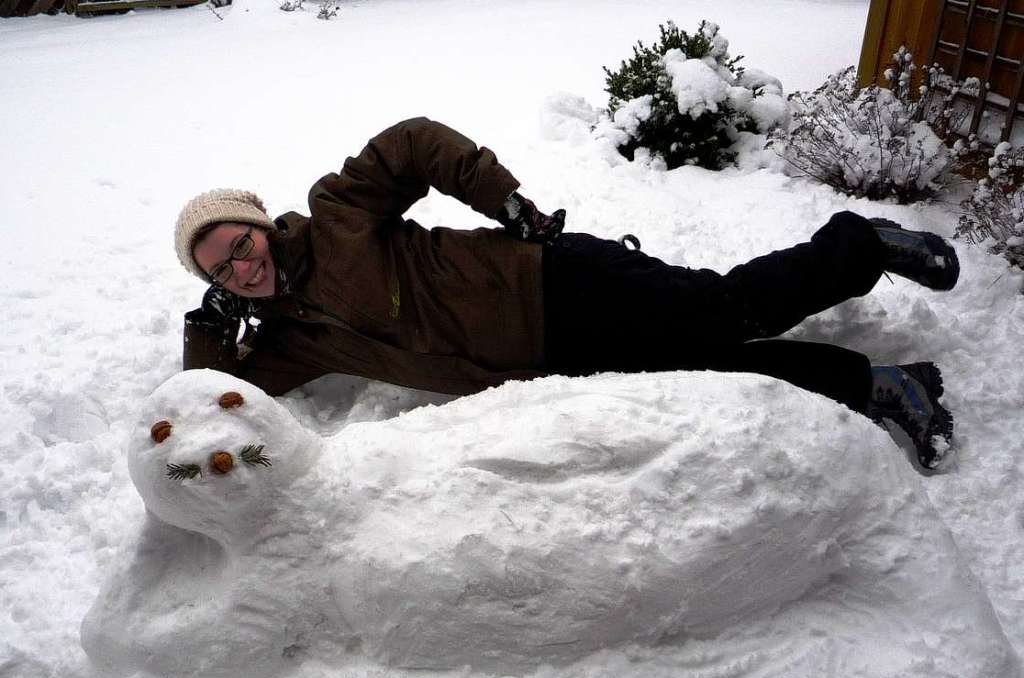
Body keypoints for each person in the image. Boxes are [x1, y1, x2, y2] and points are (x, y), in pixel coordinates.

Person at [175, 117, 959, 468]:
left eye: (239, 247)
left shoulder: (334, 215)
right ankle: (880, 387)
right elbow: (207, 398)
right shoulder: (288, 339)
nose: (240, 270)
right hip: (548, 363)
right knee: (721, 377)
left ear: (260, 228)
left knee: (725, 311)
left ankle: (861, 246)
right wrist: (204, 327)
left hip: (556, 280)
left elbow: (412, 142)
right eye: (219, 272)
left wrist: (504, 202)